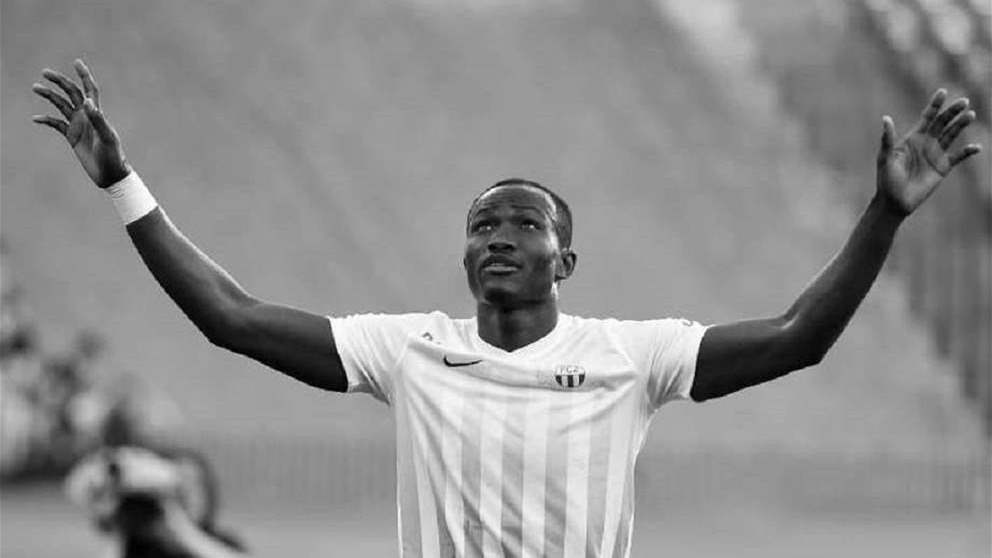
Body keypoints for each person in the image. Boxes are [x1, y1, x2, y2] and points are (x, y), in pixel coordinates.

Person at [33, 59, 981, 557]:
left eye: (524, 223)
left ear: (565, 259)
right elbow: (230, 317)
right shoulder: (407, 349)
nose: (498, 235)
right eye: (482, 223)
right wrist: (121, 184)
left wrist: (885, 214)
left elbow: (799, 338)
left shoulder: (633, 355)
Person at [65, 445, 248, 558]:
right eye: (178, 487)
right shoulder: (140, 546)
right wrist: (122, 528)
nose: (185, 494)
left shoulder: (224, 543)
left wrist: (182, 532)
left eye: (193, 484)